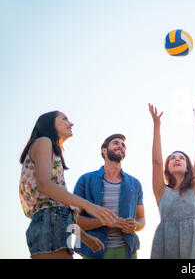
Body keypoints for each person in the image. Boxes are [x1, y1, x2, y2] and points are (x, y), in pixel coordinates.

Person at [19, 111, 117, 259]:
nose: (71, 123)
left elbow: (58, 209)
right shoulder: (44, 141)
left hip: (52, 225)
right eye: (64, 119)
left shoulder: (52, 151)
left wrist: (83, 236)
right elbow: (44, 186)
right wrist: (89, 205)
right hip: (48, 225)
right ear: (49, 123)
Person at [149, 97, 195, 259]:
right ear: (166, 168)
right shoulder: (161, 191)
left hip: (192, 249)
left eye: (181, 157)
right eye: (172, 158)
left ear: (188, 167)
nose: (177, 159)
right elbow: (156, 162)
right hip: (165, 247)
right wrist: (156, 126)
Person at [73, 134, 146, 259]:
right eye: (116, 143)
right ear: (104, 150)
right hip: (94, 251)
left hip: (128, 251)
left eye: (123, 145)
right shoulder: (85, 180)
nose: (121, 146)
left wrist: (135, 226)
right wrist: (105, 221)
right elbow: (73, 220)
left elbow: (142, 220)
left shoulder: (135, 183)